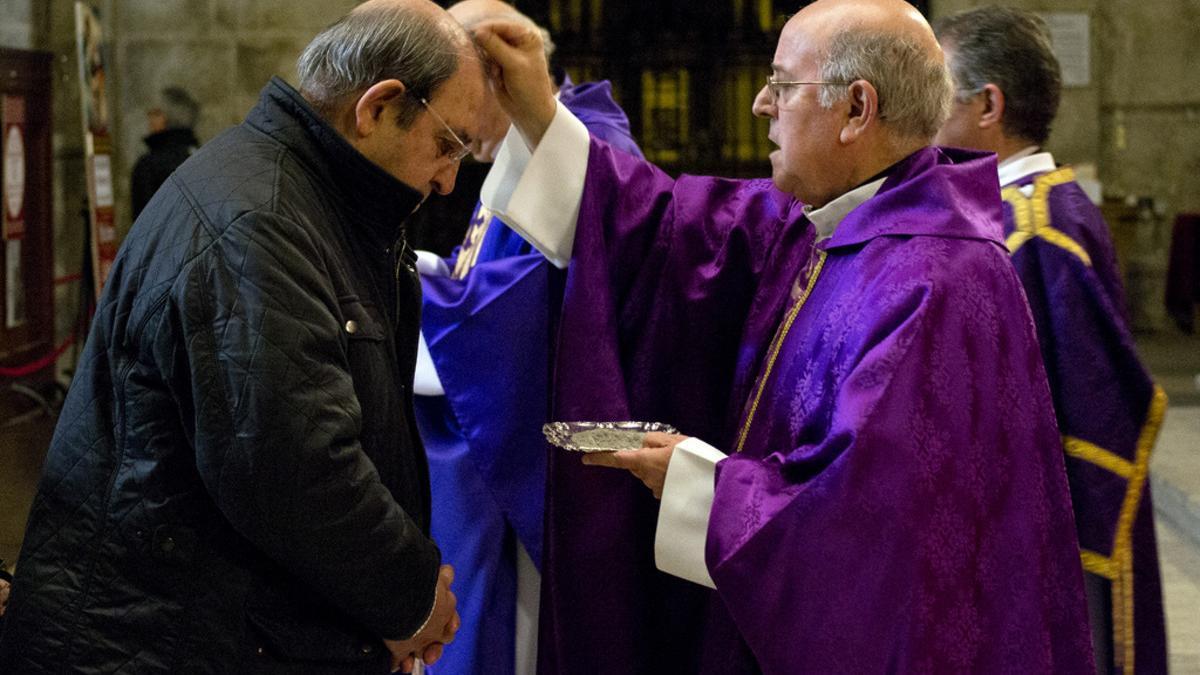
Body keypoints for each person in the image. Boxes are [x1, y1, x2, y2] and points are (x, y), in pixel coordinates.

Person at [472, 0, 1096, 671]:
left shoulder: (933, 280)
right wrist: (539, 114)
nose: (761, 103)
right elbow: (662, 229)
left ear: (857, 108)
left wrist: (692, 479)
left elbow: (863, 526)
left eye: (782, 83)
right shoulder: (823, 224)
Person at [0, 1, 480, 672]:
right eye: (449, 143)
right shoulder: (260, 220)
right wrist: (412, 598)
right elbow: (295, 469)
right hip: (158, 638)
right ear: (377, 106)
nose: (450, 178)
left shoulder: (306, 199)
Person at [933, 8, 1168, 674]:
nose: (925, 118)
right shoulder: (1029, 207)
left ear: (988, 104)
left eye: (937, 93)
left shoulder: (1035, 228)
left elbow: (1081, 412)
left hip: (1039, 542)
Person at [412, 2, 643, 674]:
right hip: (503, 452)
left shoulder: (590, 149)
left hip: (548, 463)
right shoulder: (522, 149)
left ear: (497, 76)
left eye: (450, 98)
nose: (445, 128)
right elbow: (485, 275)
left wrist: (406, 299)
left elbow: (555, 314)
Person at [131, 86, 201, 219]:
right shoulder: (202, 156)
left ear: (167, 118)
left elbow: (144, 225)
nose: (149, 118)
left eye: (156, 113)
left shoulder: (149, 166)